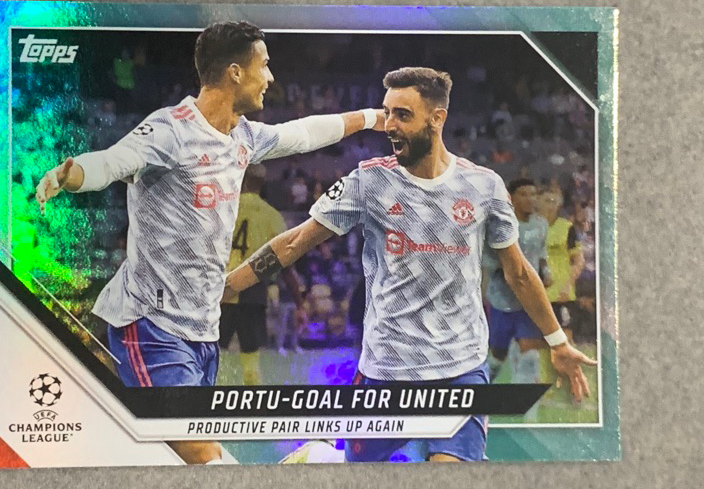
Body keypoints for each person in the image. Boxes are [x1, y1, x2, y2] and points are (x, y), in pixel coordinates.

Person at [35, 21, 384, 464]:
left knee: (188, 455)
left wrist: (372, 118)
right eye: (264, 65)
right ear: (235, 72)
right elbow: (114, 161)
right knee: (199, 452)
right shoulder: (170, 130)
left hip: (204, 332)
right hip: (151, 326)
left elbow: (304, 133)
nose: (271, 76)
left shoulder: (243, 137)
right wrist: (71, 175)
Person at [222, 66, 595, 463]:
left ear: (437, 118)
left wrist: (558, 342)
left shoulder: (484, 186)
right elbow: (295, 241)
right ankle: (318, 457)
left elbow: (518, 272)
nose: (390, 126)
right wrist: (226, 288)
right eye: (387, 114)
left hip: (460, 369)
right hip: (386, 370)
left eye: (403, 115)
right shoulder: (369, 181)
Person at [219, 164, 305, 384]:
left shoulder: (224, 207)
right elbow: (286, 263)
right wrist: (299, 303)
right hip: (252, 290)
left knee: (211, 354)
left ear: (242, 180)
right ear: (262, 184)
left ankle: (202, 399)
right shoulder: (272, 216)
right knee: (251, 358)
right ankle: (253, 401)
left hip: (221, 289)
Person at [483, 179, 551, 418]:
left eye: (534, 194)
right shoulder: (501, 225)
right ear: (511, 198)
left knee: (529, 353)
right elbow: (488, 262)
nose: (530, 199)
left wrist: (546, 271)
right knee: (497, 355)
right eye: (524, 194)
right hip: (502, 301)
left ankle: (528, 414)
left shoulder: (541, 224)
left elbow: (541, 252)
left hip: (529, 301)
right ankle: (478, 395)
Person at [539, 189, 585, 345]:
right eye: (546, 201)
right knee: (538, 342)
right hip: (537, 293)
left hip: (561, 293)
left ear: (559, 205)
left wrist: (568, 285)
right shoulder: (531, 228)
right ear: (538, 203)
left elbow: (579, 261)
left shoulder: (567, 228)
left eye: (554, 202)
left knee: (565, 337)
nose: (550, 206)